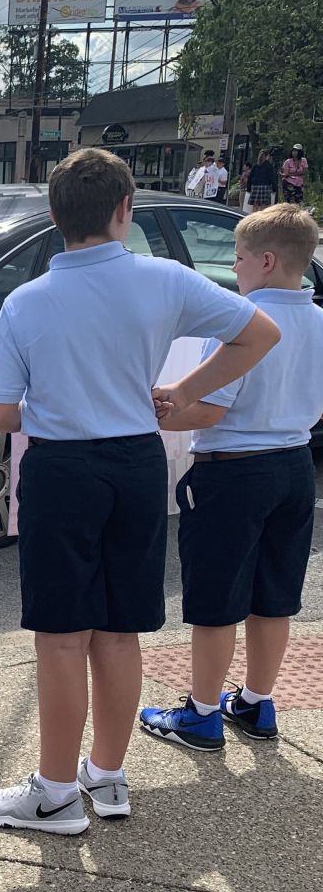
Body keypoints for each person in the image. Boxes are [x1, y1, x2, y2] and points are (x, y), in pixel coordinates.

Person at [0, 148, 280, 837]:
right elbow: (260, 331)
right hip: (138, 460)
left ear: (53, 217)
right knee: (118, 628)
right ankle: (104, 772)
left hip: (60, 468)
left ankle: (51, 791)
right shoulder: (164, 279)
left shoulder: (25, 301)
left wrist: (49, 405)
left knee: (59, 635)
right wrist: (182, 392)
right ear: (123, 210)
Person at [141, 204, 323, 749]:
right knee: (275, 595)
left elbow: (208, 410)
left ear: (265, 261)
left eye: (239, 259)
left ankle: (200, 713)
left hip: (232, 470)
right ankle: (256, 702)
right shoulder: (319, 322)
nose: (234, 269)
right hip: (296, 465)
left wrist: (163, 405)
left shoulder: (237, 325)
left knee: (217, 598)